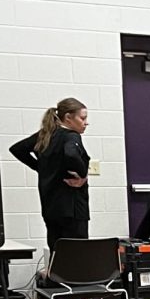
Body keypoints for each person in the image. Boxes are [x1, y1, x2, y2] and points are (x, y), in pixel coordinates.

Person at [9, 98, 90, 252]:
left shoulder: (45, 135)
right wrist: (82, 175)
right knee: (77, 254)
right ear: (68, 118)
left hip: (50, 207)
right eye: (83, 118)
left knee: (56, 251)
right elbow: (71, 154)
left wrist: (40, 168)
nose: (86, 123)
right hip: (72, 208)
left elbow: (17, 149)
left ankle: (55, 276)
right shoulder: (71, 135)